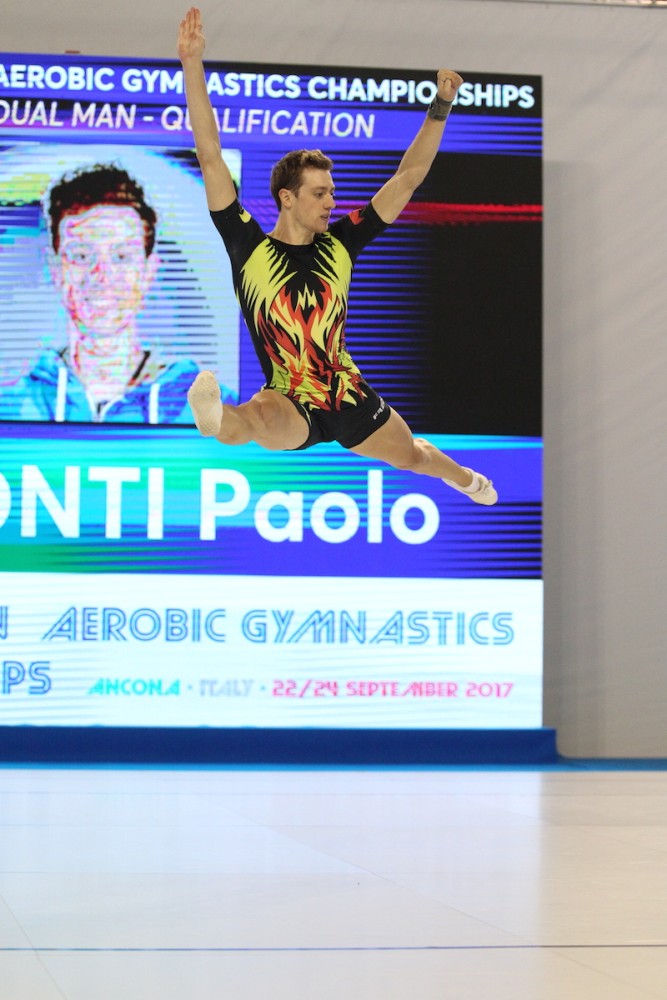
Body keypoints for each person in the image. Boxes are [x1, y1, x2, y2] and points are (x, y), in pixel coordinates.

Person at [178, 6, 497, 504]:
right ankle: (213, 416)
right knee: (256, 420)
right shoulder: (247, 245)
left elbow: (408, 177)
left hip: (347, 394)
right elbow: (209, 154)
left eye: (332, 192)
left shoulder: (342, 242)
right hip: (289, 397)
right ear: (287, 197)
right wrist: (192, 63)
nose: (332, 201)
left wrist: (441, 105)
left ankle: (466, 479)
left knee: (412, 456)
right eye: (320, 193)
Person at [7, 163, 233, 424]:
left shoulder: (219, 411)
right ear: (56, 270)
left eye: (122, 256)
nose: (102, 276)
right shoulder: (12, 408)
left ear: (148, 272)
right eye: (82, 255)